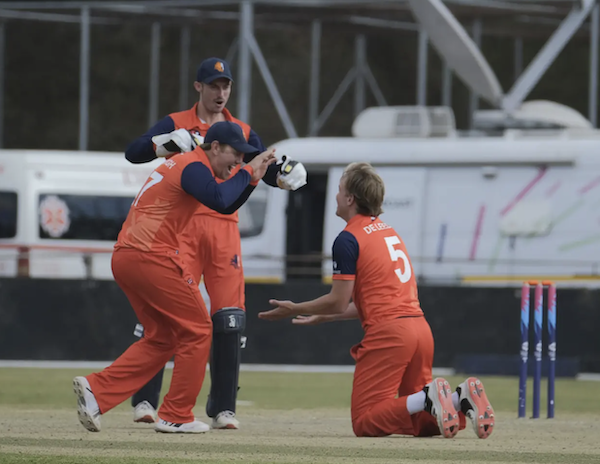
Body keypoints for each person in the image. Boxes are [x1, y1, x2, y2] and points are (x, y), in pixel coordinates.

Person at [124, 57, 307, 429]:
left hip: (224, 227)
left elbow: (260, 165)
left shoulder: (240, 129)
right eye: (213, 86)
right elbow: (134, 151)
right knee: (165, 314)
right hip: (185, 228)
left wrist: (284, 175)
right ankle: (145, 400)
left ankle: (223, 407)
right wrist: (162, 145)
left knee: (228, 317)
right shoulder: (177, 123)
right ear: (199, 87)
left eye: (225, 86)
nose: (220, 93)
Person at [259, 162, 495, 439]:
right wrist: (326, 316)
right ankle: (459, 399)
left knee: (365, 422)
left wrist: (294, 308)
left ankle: (429, 396)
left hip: (390, 334)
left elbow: (338, 300)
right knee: (424, 424)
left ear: (350, 199)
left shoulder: (347, 239)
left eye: (339, 190)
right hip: (419, 330)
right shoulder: (388, 231)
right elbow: (371, 300)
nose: (336, 196)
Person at [73, 121, 276, 434]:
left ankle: (96, 392)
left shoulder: (192, 165)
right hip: (151, 256)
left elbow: (224, 205)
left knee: (163, 338)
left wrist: (251, 180)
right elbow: (220, 200)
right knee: (198, 330)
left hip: (130, 256)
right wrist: (248, 173)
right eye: (235, 153)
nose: (238, 160)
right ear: (216, 147)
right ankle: (176, 414)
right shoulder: (194, 165)